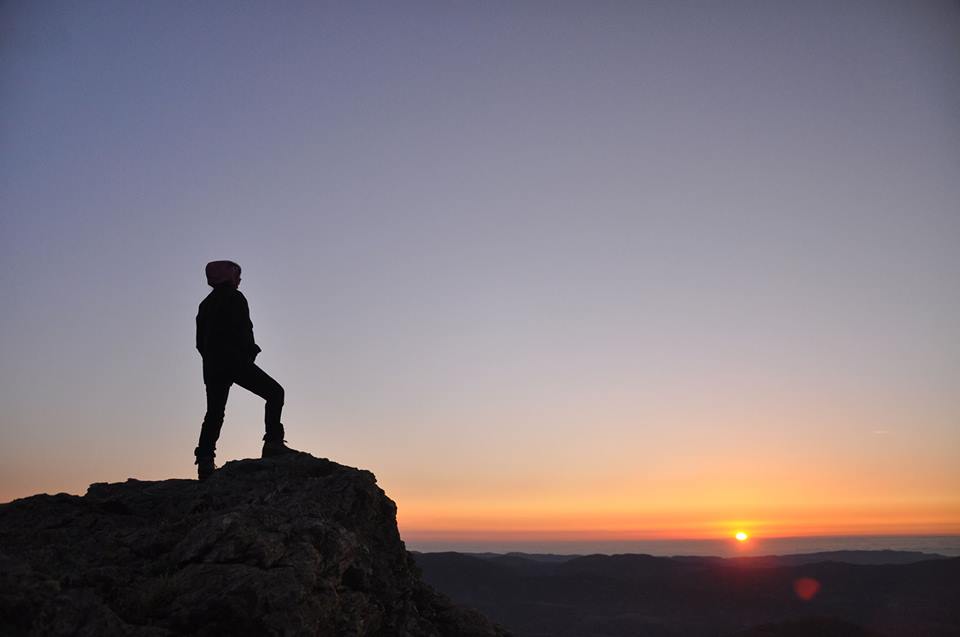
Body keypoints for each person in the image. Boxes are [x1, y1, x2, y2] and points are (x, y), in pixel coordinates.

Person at [194, 260, 298, 480]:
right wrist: (249, 353)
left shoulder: (204, 305)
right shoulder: (235, 297)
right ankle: (273, 443)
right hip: (234, 361)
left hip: (212, 366)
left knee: (214, 413)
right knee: (275, 393)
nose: (239, 279)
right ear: (228, 275)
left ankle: (205, 460)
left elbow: (199, 343)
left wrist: (211, 360)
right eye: (237, 274)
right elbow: (244, 330)